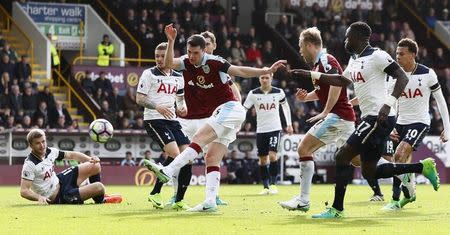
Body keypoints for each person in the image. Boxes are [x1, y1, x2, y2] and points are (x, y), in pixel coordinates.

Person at [291, 22, 440, 218]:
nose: (345, 40)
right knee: (369, 171)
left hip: (379, 116)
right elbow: (340, 81)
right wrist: (311, 74)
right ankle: (422, 167)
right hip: (372, 117)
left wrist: (388, 104)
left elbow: (401, 77)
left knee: (342, 156)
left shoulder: (377, 56)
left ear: (360, 38)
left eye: (348, 37)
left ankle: (337, 209)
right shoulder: (354, 60)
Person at [144, 24, 286, 212]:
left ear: (204, 50)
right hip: (223, 115)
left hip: (230, 109)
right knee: (211, 158)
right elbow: (170, 64)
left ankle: (168, 171)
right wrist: (171, 41)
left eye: (195, 53)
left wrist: (265, 71)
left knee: (198, 139)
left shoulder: (215, 62)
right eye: (189, 52)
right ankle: (210, 201)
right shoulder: (187, 62)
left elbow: (240, 71)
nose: (191, 56)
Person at [278, 27, 356, 212]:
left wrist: (326, 111)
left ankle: (303, 200)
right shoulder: (318, 65)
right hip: (343, 118)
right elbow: (323, 91)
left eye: (300, 46)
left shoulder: (326, 60)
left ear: (310, 45)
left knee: (304, 148)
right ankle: (405, 173)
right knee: (360, 160)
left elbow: (337, 84)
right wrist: (307, 98)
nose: (300, 51)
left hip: (337, 116)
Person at [379, 38, 449, 211]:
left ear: (413, 55)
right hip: (400, 122)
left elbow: (441, 102)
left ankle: (395, 200)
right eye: (396, 54)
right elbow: (391, 102)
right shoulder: (393, 76)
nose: (398, 57)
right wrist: (391, 125)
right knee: (397, 160)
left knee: (400, 154)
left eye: (401, 54)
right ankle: (409, 193)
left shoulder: (427, 73)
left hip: (420, 122)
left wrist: (448, 128)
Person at [174, 30, 241, 206]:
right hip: (189, 118)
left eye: (209, 44)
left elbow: (233, 92)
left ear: (211, 47)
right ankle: (176, 195)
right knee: (181, 154)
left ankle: (213, 196)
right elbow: (179, 88)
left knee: (210, 157)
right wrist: (180, 104)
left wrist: (236, 117)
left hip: (213, 117)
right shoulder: (187, 64)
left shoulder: (218, 66)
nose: (208, 48)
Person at [136, 42, 191, 210]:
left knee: (187, 157)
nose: (160, 59)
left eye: (162, 56)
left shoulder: (178, 76)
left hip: (173, 120)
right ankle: (155, 192)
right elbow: (139, 99)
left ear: (170, 57)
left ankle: (179, 200)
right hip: (154, 120)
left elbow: (180, 98)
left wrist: (182, 107)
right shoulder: (149, 74)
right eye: (157, 56)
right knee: (175, 154)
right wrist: (157, 106)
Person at [20, 129, 122, 204]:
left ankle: (99, 197)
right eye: (38, 143)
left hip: (61, 180)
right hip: (60, 196)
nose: (42, 145)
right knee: (99, 187)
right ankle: (101, 199)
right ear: (31, 145)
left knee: (95, 165)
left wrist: (90, 159)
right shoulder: (30, 164)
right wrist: (39, 197)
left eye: (43, 141)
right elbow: (24, 191)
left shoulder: (49, 151)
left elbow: (72, 155)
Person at [243, 69, 293, 195]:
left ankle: (273, 185)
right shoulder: (253, 94)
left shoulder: (279, 92)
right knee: (263, 160)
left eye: (267, 78)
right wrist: (238, 125)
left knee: (272, 156)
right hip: (261, 130)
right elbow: (243, 110)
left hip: (275, 128)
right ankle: (265, 187)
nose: (264, 80)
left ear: (271, 77)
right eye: (262, 78)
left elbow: (285, 107)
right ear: (259, 79)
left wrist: (289, 124)